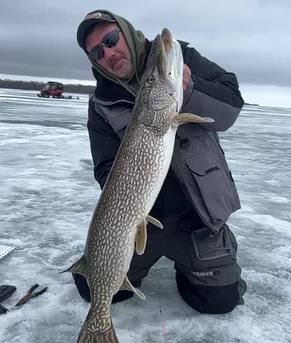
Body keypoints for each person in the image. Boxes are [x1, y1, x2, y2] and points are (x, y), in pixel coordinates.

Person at [75, 9, 247, 314]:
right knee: (93, 285)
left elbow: (231, 107)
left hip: (197, 214)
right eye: (98, 52)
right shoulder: (101, 103)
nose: (109, 53)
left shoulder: (176, 60)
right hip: (146, 218)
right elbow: (104, 167)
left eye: (111, 39)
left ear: (126, 32)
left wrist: (190, 89)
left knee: (219, 300)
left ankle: (205, 255)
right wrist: (128, 206)